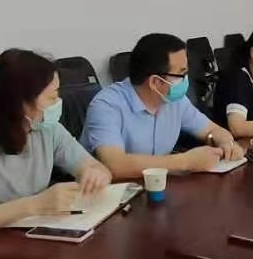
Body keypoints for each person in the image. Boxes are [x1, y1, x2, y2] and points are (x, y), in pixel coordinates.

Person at [0, 49, 112, 239]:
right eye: (52, 97)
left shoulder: (47, 128)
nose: (58, 102)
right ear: (19, 103)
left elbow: (95, 167)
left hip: (27, 237)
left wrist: (95, 174)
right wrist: (35, 205)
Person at [82, 32, 244, 180]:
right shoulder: (106, 106)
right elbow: (115, 165)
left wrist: (226, 144)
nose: (186, 79)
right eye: (181, 74)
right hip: (111, 193)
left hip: (156, 187)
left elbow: (212, 130)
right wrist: (185, 161)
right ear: (155, 82)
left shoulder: (175, 100)